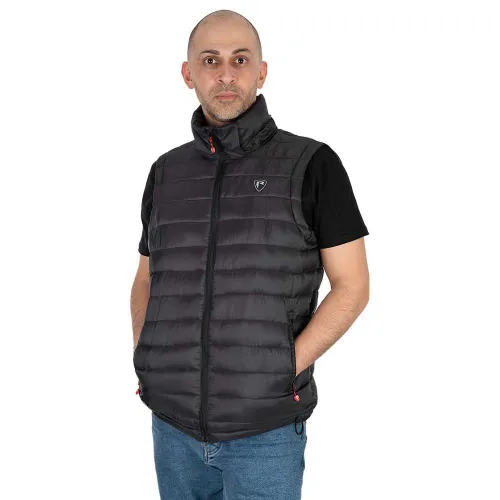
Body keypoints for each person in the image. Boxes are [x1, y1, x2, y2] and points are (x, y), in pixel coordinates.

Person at [130, 9, 370, 500]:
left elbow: (353, 286)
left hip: (266, 432)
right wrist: (146, 356)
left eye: (240, 60)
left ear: (261, 72)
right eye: (210, 60)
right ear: (188, 74)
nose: (226, 74)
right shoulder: (165, 172)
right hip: (172, 428)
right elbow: (147, 278)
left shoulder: (313, 164)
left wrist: (283, 368)